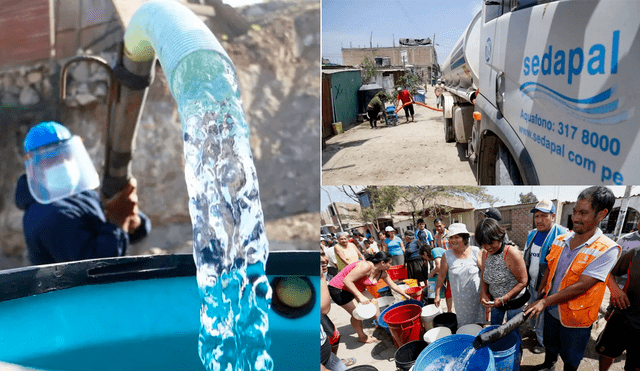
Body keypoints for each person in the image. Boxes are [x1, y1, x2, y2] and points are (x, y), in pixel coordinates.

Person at [15, 121, 151, 265]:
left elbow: (127, 235)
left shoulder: (82, 195)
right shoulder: (45, 215)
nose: (62, 162)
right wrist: (118, 225)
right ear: (34, 169)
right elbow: (96, 268)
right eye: (51, 159)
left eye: (66, 155)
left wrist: (135, 221)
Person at [525, 186, 621, 371]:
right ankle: (549, 365)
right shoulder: (561, 239)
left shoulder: (607, 249)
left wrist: (544, 303)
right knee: (550, 344)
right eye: (575, 212)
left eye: (583, 213)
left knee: (571, 356)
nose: (575, 218)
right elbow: (550, 266)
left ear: (602, 214)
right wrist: (543, 286)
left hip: (576, 317)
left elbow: (582, 286)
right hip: (552, 310)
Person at [328, 251, 410, 343]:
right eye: (389, 263)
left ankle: (380, 324)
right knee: (357, 314)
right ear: (382, 263)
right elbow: (346, 281)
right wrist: (360, 296)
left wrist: (406, 295)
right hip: (339, 288)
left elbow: (393, 286)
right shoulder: (366, 266)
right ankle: (362, 337)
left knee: (374, 302)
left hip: (355, 287)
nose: (390, 266)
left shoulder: (382, 273)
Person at [523, 200, 568, 354]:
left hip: (548, 285)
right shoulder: (532, 234)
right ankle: (533, 330)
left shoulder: (562, 234)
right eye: (537, 216)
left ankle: (542, 342)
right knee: (531, 309)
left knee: (542, 314)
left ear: (553, 216)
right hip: (532, 282)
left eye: (544, 216)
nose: (539, 220)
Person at [477, 218, 529, 341]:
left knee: (512, 332)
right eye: (483, 244)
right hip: (496, 301)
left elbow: (523, 281)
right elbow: (484, 274)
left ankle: (517, 356)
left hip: (514, 301)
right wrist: (483, 293)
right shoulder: (485, 253)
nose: (488, 247)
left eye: (491, 243)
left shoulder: (511, 253)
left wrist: (504, 298)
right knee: (494, 329)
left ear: (499, 237)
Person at [596, 236, 640, 371]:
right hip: (622, 316)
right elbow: (609, 272)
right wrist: (614, 291)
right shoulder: (636, 252)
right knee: (606, 354)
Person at [435, 223, 486, 326]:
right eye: (451, 237)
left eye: (457, 237)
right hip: (460, 299)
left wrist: (484, 293)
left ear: (464, 238)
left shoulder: (475, 251)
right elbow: (441, 276)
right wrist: (437, 294)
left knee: (479, 323)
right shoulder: (447, 255)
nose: (453, 240)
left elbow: (485, 272)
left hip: (476, 296)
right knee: (464, 325)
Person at [321, 248, 349, 371]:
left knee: (335, 336)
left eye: (322, 254)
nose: (323, 260)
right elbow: (324, 308)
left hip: (325, 352)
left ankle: (334, 359)